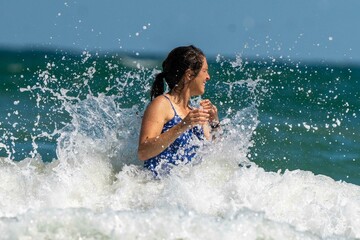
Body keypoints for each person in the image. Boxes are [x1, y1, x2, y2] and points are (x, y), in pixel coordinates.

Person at [137, 45, 220, 176]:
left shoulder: (194, 113)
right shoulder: (162, 104)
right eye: (205, 71)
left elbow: (215, 153)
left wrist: (214, 122)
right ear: (189, 74)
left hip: (186, 192)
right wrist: (183, 125)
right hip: (156, 190)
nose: (208, 77)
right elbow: (143, 151)